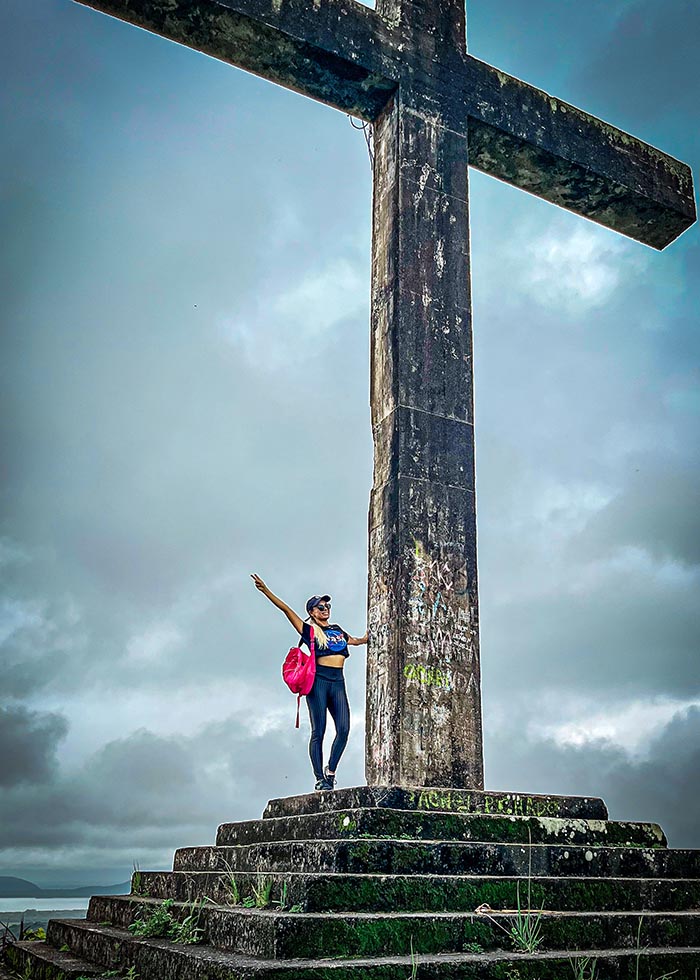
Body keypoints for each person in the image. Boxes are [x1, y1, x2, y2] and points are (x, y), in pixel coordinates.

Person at [251, 573, 367, 791]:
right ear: (312, 612)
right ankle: (319, 779)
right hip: (319, 682)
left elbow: (356, 641)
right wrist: (266, 591)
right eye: (320, 607)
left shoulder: (337, 630)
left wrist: (367, 637)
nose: (325, 609)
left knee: (343, 729)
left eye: (327, 605)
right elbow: (286, 610)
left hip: (338, 682)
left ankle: (330, 772)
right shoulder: (311, 631)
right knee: (319, 731)